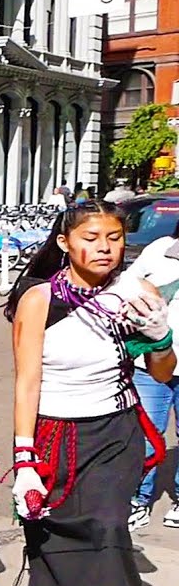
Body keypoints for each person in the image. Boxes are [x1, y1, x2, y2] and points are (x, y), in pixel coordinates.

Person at [5, 202, 175, 586]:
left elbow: (162, 372)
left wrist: (160, 338)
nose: (104, 247)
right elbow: (26, 382)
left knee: (106, 524)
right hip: (53, 431)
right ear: (65, 242)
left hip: (115, 429)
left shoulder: (137, 292)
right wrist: (23, 458)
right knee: (51, 526)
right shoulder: (39, 300)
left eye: (115, 237)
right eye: (92, 237)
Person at [121, 225, 179, 530]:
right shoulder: (160, 249)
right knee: (145, 436)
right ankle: (138, 500)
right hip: (151, 362)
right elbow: (128, 286)